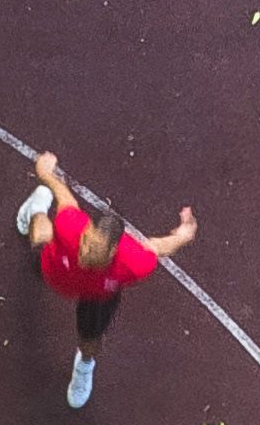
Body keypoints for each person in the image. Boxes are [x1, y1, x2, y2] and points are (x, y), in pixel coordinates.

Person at [18, 151, 195, 411]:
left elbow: (156, 247)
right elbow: (65, 197)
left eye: (97, 252)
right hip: (56, 269)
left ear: (115, 251)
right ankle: (36, 207)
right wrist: (46, 174)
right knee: (40, 234)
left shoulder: (133, 262)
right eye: (87, 243)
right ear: (87, 229)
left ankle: (84, 366)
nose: (86, 254)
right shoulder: (71, 226)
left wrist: (182, 237)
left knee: (91, 336)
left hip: (96, 297)